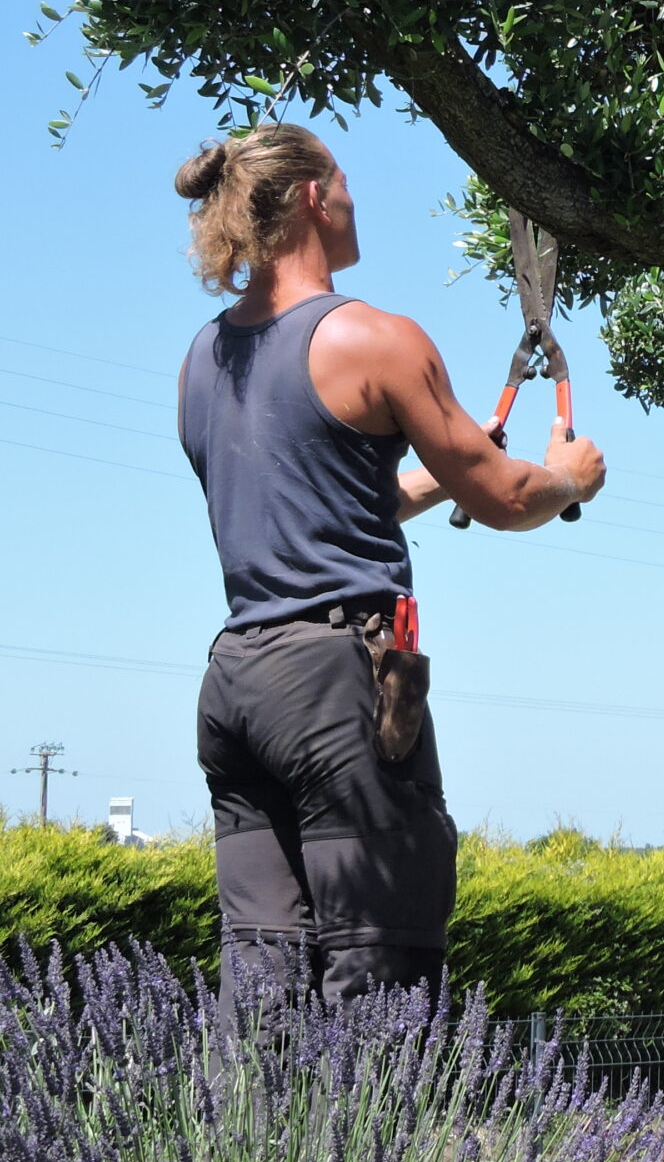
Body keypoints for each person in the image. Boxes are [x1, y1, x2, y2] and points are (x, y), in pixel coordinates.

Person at [174, 123, 604, 1001]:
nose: (354, 200)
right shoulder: (373, 339)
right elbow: (507, 499)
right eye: (346, 182)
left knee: (263, 974)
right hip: (336, 684)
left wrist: (436, 479)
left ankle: (245, 1140)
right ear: (310, 198)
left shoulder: (204, 358)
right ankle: (376, 1141)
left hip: (237, 684)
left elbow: (311, 506)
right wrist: (567, 477)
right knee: (380, 971)